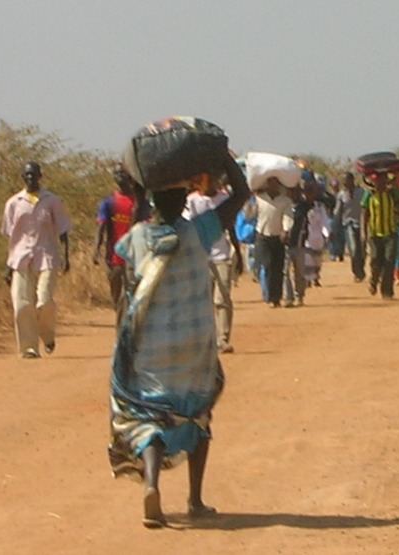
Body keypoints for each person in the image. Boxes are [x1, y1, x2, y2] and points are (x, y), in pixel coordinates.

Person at [108, 146, 249, 528]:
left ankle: (151, 483)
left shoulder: (136, 238)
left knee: (148, 418)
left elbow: (128, 286)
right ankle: (196, 500)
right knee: (198, 415)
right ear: (185, 200)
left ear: (150, 199)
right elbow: (240, 194)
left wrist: (140, 189)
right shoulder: (199, 231)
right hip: (194, 346)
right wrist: (220, 157)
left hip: (152, 348)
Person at [1, 161, 71, 359]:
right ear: (23, 178)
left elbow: (63, 231)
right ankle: (29, 347)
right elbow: (10, 236)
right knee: (22, 304)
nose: (31, 178)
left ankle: (47, 335)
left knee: (45, 301)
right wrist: (8, 265)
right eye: (27, 175)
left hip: (46, 256)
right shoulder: (13, 203)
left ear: (40, 176)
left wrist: (66, 257)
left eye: (34, 174)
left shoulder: (52, 201)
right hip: (20, 258)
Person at [183, 176, 241, 354]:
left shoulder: (224, 200)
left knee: (222, 298)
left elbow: (231, 228)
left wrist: (238, 252)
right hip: (200, 256)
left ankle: (222, 339)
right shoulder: (191, 201)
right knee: (203, 300)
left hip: (221, 255)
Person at [93, 163, 151, 326]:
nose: (120, 177)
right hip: (114, 256)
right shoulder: (108, 202)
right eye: (116, 174)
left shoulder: (140, 202)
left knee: (131, 293)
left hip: (134, 257)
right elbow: (101, 227)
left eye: (123, 174)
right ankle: (122, 319)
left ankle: (125, 329)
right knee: (117, 295)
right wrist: (96, 249)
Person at [361, 171, 399, 300]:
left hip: (391, 233)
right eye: (379, 180)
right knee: (375, 260)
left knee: (389, 262)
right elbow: (364, 214)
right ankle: (373, 281)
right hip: (374, 234)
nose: (381, 182)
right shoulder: (369, 194)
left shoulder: (393, 193)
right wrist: (363, 232)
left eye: (384, 179)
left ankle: (387, 291)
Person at [253, 177, 294, 307]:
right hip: (262, 236)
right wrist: (249, 199)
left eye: (275, 183)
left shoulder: (285, 201)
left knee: (278, 268)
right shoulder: (259, 199)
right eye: (270, 182)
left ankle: (276, 297)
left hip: (278, 237)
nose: (273, 185)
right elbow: (249, 214)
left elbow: (288, 217)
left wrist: (286, 230)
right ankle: (270, 297)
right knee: (268, 264)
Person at [333, 171, 366, 282]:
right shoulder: (341, 195)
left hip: (361, 224)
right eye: (343, 180)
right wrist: (334, 228)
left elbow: (366, 208)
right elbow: (338, 212)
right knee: (353, 249)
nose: (344, 182)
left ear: (352, 180)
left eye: (346, 179)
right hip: (348, 224)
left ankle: (361, 269)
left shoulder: (361, 192)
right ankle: (357, 272)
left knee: (362, 249)